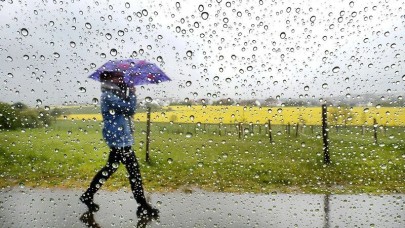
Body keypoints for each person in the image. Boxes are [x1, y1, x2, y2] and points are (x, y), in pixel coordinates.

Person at [80, 71, 159, 218]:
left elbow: (126, 110)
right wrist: (133, 93)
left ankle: (88, 195)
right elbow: (129, 109)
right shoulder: (109, 96)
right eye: (118, 77)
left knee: (110, 168)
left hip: (120, 137)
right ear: (109, 79)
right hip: (119, 140)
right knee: (134, 172)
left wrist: (127, 91)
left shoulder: (113, 93)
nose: (122, 79)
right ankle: (143, 205)